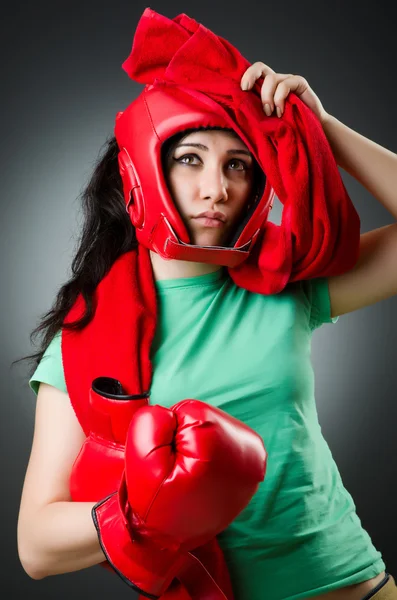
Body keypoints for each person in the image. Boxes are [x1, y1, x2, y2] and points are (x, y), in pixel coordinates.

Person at [16, 8, 397, 600]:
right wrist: (142, 507)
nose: (215, 188)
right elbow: (36, 545)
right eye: (189, 158)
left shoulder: (284, 283)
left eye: (236, 165)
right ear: (144, 170)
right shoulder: (86, 338)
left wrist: (322, 130)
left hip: (356, 588)